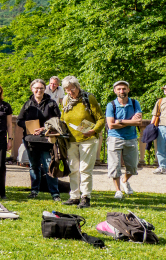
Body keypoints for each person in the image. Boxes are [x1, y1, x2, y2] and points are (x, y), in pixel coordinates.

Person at [60, 75, 105, 209]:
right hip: (71, 140)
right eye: (67, 89)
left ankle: (86, 197)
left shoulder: (88, 98)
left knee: (85, 169)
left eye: (72, 88)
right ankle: (74, 196)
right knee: (73, 169)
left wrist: (93, 131)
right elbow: (63, 118)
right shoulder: (66, 100)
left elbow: (101, 119)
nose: (70, 92)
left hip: (88, 139)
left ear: (77, 86)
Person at [16, 79, 61, 200]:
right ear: (32, 89)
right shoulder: (27, 104)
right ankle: (34, 191)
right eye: (36, 88)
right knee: (34, 166)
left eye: (41, 88)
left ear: (44, 89)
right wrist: (29, 126)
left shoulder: (51, 103)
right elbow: (19, 120)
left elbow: (58, 120)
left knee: (48, 166)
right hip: (31, 140)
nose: (38, 90)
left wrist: (44, 128)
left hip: (46, 140)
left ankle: (55, 193)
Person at [105, 80, 142, 199]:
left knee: (133, 166)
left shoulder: (135, 103)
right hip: (114, 137)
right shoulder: (111, 105)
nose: (122, 91)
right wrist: (131, 121)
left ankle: (124, 181)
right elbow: (111, 125)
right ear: (115, 91)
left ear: (128, 90)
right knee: (114, 165)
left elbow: (139, 122)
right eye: (119, 89)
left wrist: (120, 121)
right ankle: (118, 191)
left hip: (131, 138)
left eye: (124, 88)